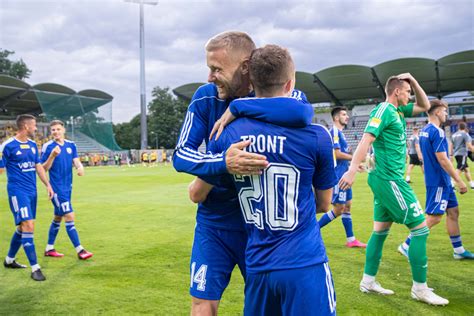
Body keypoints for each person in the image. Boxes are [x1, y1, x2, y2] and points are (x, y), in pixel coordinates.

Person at [173, 31, 313, 315]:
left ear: (246, 67)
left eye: (217, 69)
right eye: (209, 68)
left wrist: (240, 107)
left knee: (268, 307)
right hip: (214, 224)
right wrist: (223, 162)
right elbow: (181, 155)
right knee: (202, 302)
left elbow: (303, 112)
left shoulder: (282, 94)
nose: (210, 77)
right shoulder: (205, 98)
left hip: (262, 229)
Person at [206, 44, 337, 315]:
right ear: (291, 83)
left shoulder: (227, 134)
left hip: (257, 263)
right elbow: (325, 204)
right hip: (303, 261)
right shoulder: (317, 136)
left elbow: (197, 193)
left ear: (251, 83)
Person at [338, 74, 449, 305]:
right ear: (396, 92)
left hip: (387, 179)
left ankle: (368, 282)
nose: (409, 95)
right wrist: (351, 170)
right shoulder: (384, 110)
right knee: (420, 230)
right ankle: (420, 288)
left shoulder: (399, 111)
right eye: (407, 91)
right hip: (390, 180)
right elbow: (366, 141)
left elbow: (426, 105)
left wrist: (413, 80)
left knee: (380, 232)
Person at [398, 100, 472, 260]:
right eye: (445, 111)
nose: (446, 114)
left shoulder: (425, 130)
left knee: (453, 212)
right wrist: (459, 181)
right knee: (434, 217)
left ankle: (458, 250)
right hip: (439, 181)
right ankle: (406, 245)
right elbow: (443, 160)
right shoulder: (437, 132)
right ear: (437, 112)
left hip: (439, 180)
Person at [1, 114, 54, 281]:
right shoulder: (7, 146)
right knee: (29, 226)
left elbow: (38, 166)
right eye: (34, 125)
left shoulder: (32, 145)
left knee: (23, 228)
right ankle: (35, 268)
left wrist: (48, 185)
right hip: (18, 192)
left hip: (32, 192)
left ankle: (9, 260)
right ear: (25, 126)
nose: (36, 128)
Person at [41, 120, 93, 260]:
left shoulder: (71, 145)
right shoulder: (48, 147)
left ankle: (49, 248)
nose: (56, 132)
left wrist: (80, 167)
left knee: (58, 217)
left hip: (68, 187)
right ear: (51, 132)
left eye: (58, 129)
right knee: (69, 215)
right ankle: (80, 250)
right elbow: (43, 169)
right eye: (53, 130)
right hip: (56, 189)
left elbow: (75, 160)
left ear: (63, 130)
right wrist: (52, 156)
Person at [318, 106, 366, 248]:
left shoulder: (341, 133)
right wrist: (355, 159)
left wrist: (354, 165)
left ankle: (351, 240)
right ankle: (311, 230)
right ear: (336, 117)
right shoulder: (334, 132)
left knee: (347, 206)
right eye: (344, 114)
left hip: (345, 173)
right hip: (338, 176)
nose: (347, 117)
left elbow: (341, 157)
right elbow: (336, 154)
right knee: (338, 208)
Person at [451, 122, 474, 189]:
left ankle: (472, 184)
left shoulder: (454, 135)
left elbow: (451, 145)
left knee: (466, 169)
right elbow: (469, 146)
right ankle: (452, 184)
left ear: (458, 127)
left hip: (456, 154)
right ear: (465, 127)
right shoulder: (465, 134)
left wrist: (451, 154)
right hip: (462, 153)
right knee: (459, 168)